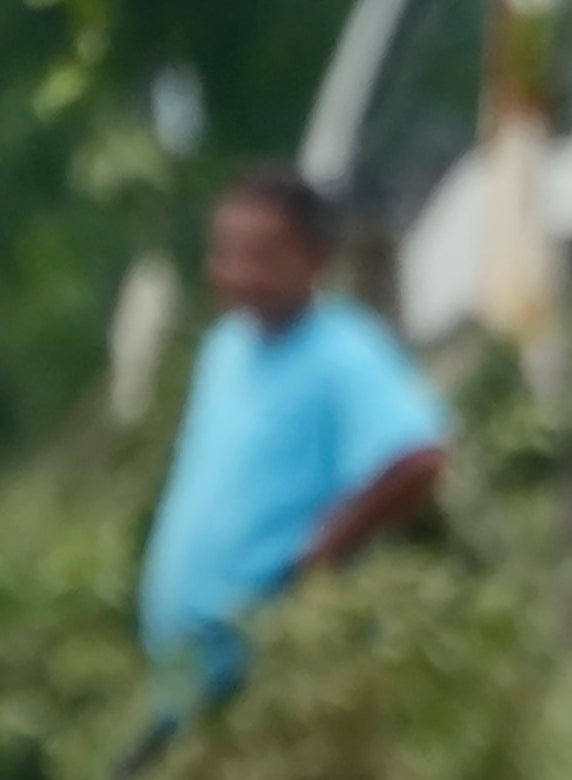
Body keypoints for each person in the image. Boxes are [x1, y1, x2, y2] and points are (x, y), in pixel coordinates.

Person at [133, 167, 448, 723]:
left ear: (316, 258)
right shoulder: (225, 347)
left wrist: (323, 551)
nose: (240, 274)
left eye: (263, 256)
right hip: (189, 672)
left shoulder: (343, 352)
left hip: (271, 662)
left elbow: (418, 458)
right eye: (227, 254)